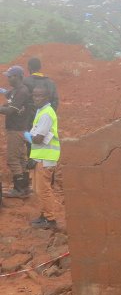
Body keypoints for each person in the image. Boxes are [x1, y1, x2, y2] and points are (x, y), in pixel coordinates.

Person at [25, 85, 60, 229]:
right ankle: (44, 215)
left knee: (44, 190)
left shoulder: (46, 113)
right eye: (34, 95)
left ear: (47, 98)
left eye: (40, 96)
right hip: (40, 157)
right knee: (38, 189)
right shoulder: (41, 111)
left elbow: (38, 138)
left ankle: (50, 219)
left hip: (46, 158)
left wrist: (27, 136)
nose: (36, 98)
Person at [0, 65, 32, 199]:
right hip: (19, 129)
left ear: (18, 77)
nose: (8, 78)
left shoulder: (22, 92)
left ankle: (18, 189)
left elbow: (11, 110)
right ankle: (24, 188)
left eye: (10, 76)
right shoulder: (16, 90)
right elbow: (10, 104)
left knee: (13, 159)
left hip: (17, 129)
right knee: (20, 159)